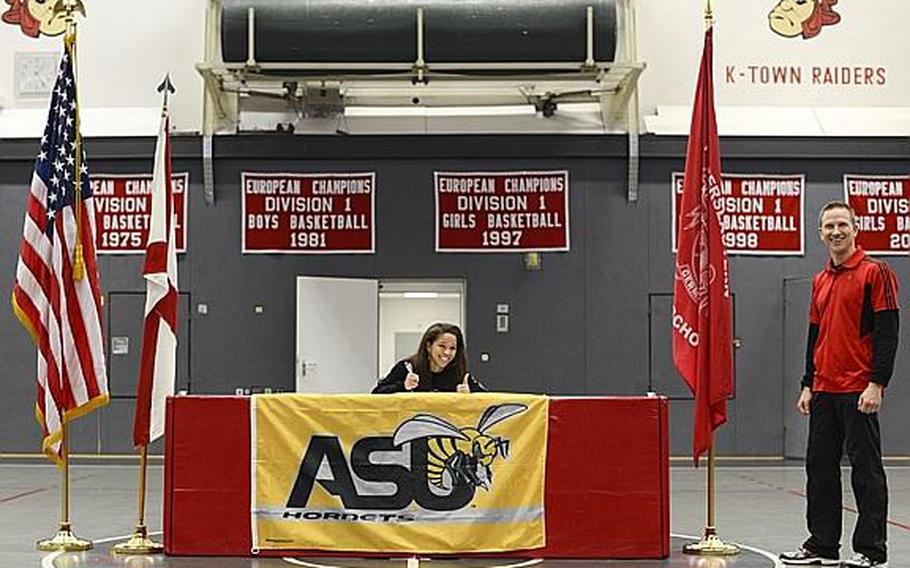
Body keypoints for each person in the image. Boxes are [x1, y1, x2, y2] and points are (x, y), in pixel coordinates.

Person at [781, 202, 898, 568]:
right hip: (824, 390)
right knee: (819, 469)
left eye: (842, 225)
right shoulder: (820, 280)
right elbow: (814, 336)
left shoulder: (876, 272)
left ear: (855, 228)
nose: (836, 232)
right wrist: (807, 384)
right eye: (829, 226)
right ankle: (822, 546)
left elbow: (887, 333)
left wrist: (877, 383)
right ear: (820, 233)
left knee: (866, 472)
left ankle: (871, 551)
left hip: (858, 389)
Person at [372, 322, 486, 393]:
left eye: (452, 348)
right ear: (428, 346)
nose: (447, 352)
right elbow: (376, 393)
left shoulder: (461, 374)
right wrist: (403, 386)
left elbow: (489, 399)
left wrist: (470, 396)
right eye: (442, 346)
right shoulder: (407, 367)